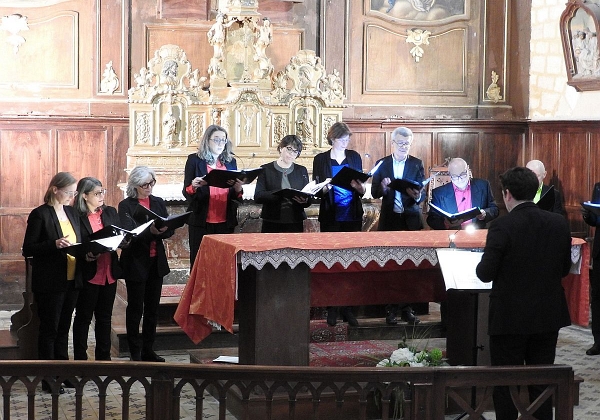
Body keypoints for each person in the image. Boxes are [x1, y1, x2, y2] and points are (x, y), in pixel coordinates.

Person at [476, 166, 572, 420]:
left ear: (507, 194)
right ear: (535, 190)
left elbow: (485, 273)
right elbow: (564, 269)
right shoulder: (558, 223)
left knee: (505, 381)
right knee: (541, 380)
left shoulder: (501, 225)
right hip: (547, 315)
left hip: (509, 318)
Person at [22, 172, 81, 393]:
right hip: (50, 280)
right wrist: (53, 244)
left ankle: (63, 371)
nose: (70, 197)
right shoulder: (40, 214)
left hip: (72, 277)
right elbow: (28, 248)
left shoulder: (72, 212)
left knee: (64, 328)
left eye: (73, 193)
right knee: (50, 329)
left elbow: (80, 239)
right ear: (55, 189)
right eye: (68, 192)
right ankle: (48, 376)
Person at [371, 126, 426, 325]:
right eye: (401, 143)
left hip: (410, 219)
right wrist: (384, 187)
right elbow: (376, 192)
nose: (404, 147)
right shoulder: (382, 163)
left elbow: (422, 191)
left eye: (407, 144)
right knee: (391, 266)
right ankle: (391, 309)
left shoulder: (417, 163)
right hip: (390, 220)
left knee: (410, 266)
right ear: (392, 143)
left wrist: (418, 196)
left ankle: (408, 308)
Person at [118, 166, 174, 362]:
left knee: (152, 309)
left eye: (151, 183)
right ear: (135, 185)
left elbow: (168, 229)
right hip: (136, 262)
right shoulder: (126, 205)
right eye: (144, 185)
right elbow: (128, 232)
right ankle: (135, 351)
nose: (149, 187)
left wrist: (164, 230)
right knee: (136, 308)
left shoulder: (157, 202)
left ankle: (148, 349)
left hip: (155, 262)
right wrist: (151, 232)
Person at [313, 121, 365, 327]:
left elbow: (361, 190)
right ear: (333, 138)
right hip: (331, 215)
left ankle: (348, 309)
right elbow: (318, 189)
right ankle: (332, 308)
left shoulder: (354, 157)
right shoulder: (321, 159)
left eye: (348, 138)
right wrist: (325, 188)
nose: (346, 142)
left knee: (350, 262)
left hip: (352, 214)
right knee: (332, 262)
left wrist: (357, 186)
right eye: (342, 138)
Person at [72, 177, 121, 361]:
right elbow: (75, 244)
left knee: (104, 317)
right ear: (84, 196)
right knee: (83, 318)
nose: (101, 196)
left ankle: (103, 358)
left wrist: (124, 239)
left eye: (103, 192)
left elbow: (118, 234)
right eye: (97, 193)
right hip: (89, 272)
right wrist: (86, 254)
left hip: (109, 271)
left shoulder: (109, 212)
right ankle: (80, 360)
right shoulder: (76, 216)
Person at [182, 124, 243, 268]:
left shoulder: (230, 161)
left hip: (225, 220)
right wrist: (194, 186)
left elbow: (236, 195)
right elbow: (186, 191)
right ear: (207, 140)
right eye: (216, 139)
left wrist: (238, 189)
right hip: (201, 220)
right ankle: (199, 291)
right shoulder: (194, 160)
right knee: (200, 262)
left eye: (223, 140)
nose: (220, 143)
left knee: (223, 262)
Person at [254, 135, 311, 232]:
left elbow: (308, 197)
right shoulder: (266, 169)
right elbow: (258, 196)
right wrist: (279, 194)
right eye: (289, 149)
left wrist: (305, 201)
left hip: (295, 220)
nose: (291, 154)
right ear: (281, 148)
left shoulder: (301, 170)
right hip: (272, 221)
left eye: (295, 151)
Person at [426, 157, 499, 230]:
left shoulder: (483, 185)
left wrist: (485, 213)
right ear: (450, 175)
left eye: (462, 174)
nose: (459, 179)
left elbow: (494, 209)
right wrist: (446, 224)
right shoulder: (439, 193)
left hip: (477, 232)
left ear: (468, 171)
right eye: (455, 176)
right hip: (451, 235)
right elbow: (432, 219)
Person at [582, 182, 600, 355]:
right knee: (598, 296)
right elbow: (595, 220)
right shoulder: (599, 187)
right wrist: (588, 215)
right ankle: (598, 341)